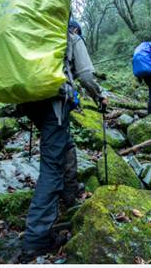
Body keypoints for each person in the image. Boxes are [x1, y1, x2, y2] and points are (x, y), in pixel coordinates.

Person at [19, 19, 107, 261]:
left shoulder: (34, 33)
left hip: (31, 101)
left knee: (63, 143)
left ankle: (70, 194)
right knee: (51, 167)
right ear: (75, 27)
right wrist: (100, 97)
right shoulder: (71, 37)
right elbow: (87, 76)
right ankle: (37, 239)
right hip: (54, 103)